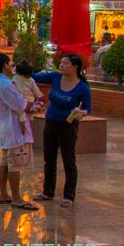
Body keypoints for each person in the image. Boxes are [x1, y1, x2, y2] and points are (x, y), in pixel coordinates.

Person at [32, 54, 91, 207]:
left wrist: (82, 112)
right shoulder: (55, 77)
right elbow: (34, 77)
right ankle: (48, 191)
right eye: (61, 63)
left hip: (68, 126)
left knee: (68, 160)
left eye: (65, 63)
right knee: (49, 159)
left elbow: (87, 107)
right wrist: (22, 71)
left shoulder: (82, 88)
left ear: (75, 67)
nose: (62, 66)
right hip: (50, 122)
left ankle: (68, 196)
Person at [0, 53, 38, 211]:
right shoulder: (6, 85)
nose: (11, 67)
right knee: (15, 164)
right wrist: (35, 106)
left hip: (4, 127)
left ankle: (4, 194)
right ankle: (16, 197)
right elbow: (21, 105)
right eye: (9, 64)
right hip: (13, 128)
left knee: (5, 160)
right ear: (4, 65)